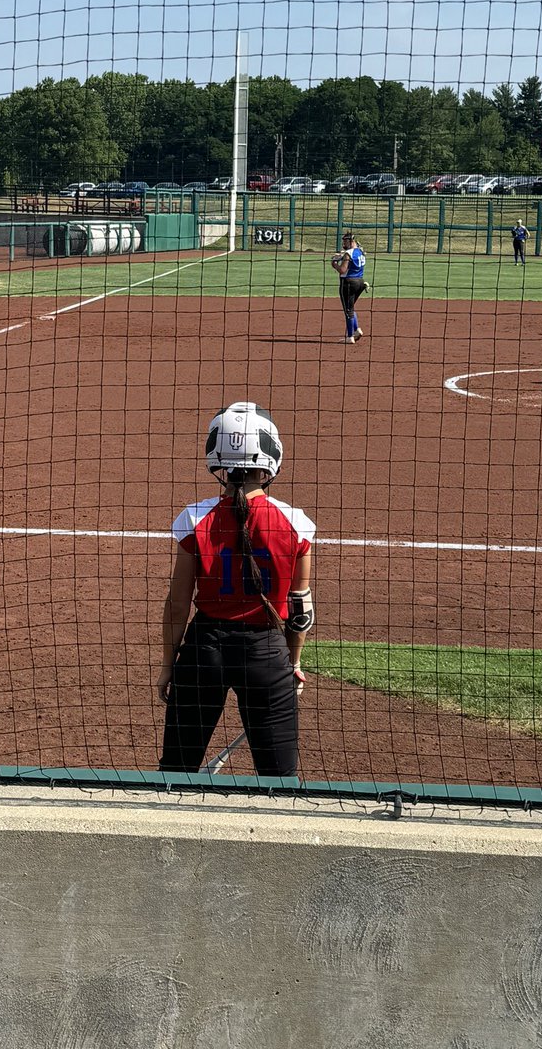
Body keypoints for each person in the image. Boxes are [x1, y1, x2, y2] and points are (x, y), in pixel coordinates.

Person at [158, 402, 315, 777]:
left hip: (204, 652)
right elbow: (300, 610)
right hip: (265, 654)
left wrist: (168, 667)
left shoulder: (195, 519)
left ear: (216, 454)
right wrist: (292, 664)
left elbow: (178, 606)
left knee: (175, 772)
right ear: (272, 454)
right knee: (280, 782)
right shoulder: (296, 523)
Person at [331, 231, 368, 343]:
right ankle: (356, 330)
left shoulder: (349, 253)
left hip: (348, 283)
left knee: (348, 310)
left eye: (345, 241)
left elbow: (343, 270)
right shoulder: (360, 252)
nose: (343, 243)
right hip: (360, 282)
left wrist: (334, 264)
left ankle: (350, 336)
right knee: (350, 308)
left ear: (350, 241)